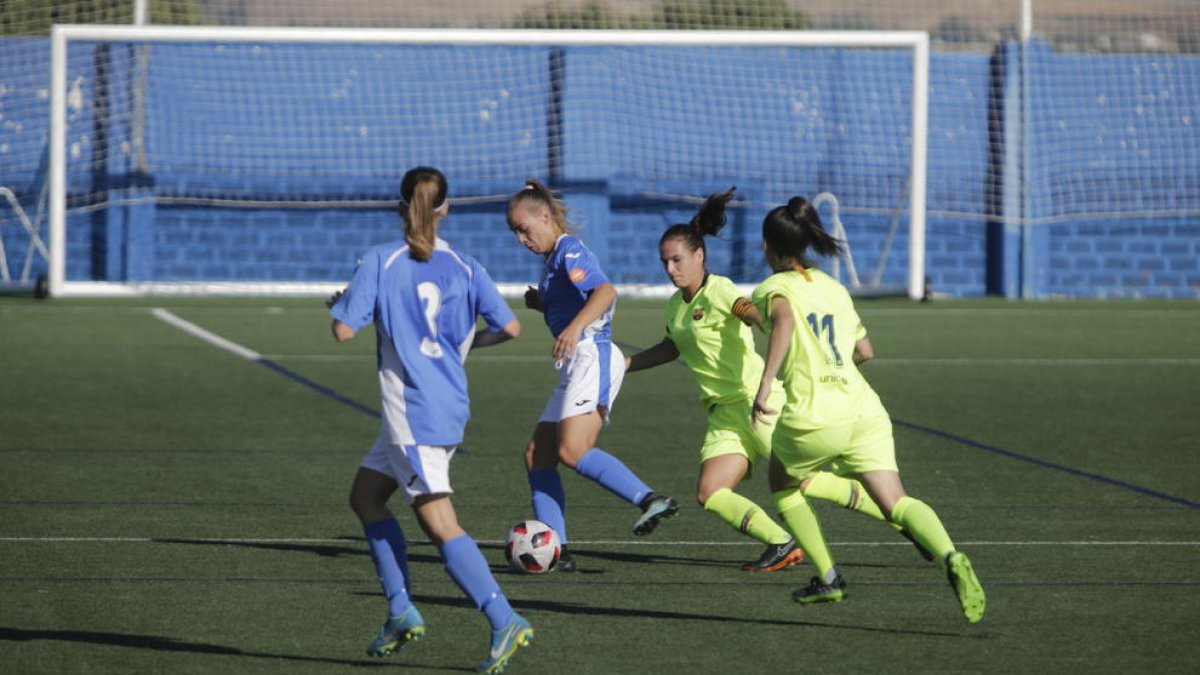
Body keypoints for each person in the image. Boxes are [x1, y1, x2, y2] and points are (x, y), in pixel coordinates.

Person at [624, 188, 911, 573]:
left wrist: (775, 335)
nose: (671, 269)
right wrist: (625, 364)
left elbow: (756, 316)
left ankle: (901, 518)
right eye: (665, 262)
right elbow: (670, 347)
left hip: (756, 403)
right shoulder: (676, 305)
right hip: (724, 415)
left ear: (699, 255)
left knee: (803, 482)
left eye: (677, 260)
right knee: (710, 492)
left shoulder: (721, 290)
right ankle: (781, 543)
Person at [329, 166, 534, 672]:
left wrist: (346, 303)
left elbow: (343, 331)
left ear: (400, 206)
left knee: (440, 524)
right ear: (447, 209)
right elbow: (510, 327)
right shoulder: (465, 264)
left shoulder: (382, 259)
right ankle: (400, 609)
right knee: (366, 496)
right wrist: (457, 344)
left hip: (413, 414)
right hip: (447, 403)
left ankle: (504, 617)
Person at [749, 195, 986, 623]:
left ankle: (829, 578)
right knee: (896, 502)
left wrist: (766, 384)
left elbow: (784, 320)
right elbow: (865, 351)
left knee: (783, 486)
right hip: (863, 412)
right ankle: (950, 554)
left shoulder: (772, 288)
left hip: (813, 416)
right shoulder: (834, 287)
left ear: (767, 245)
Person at [507, 178, 679, 573]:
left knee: (571, 450)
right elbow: (575, 301)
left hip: (592, 355)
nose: (521, 239)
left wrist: (572, 328)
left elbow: (605, 292)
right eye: (515, 232)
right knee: (538, 455)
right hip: (576, 361)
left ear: (545, 217)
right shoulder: (555, 259)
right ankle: (557, 549)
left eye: (524, 229)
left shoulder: (570, 249)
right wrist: (542, 305)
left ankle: (649, 498)